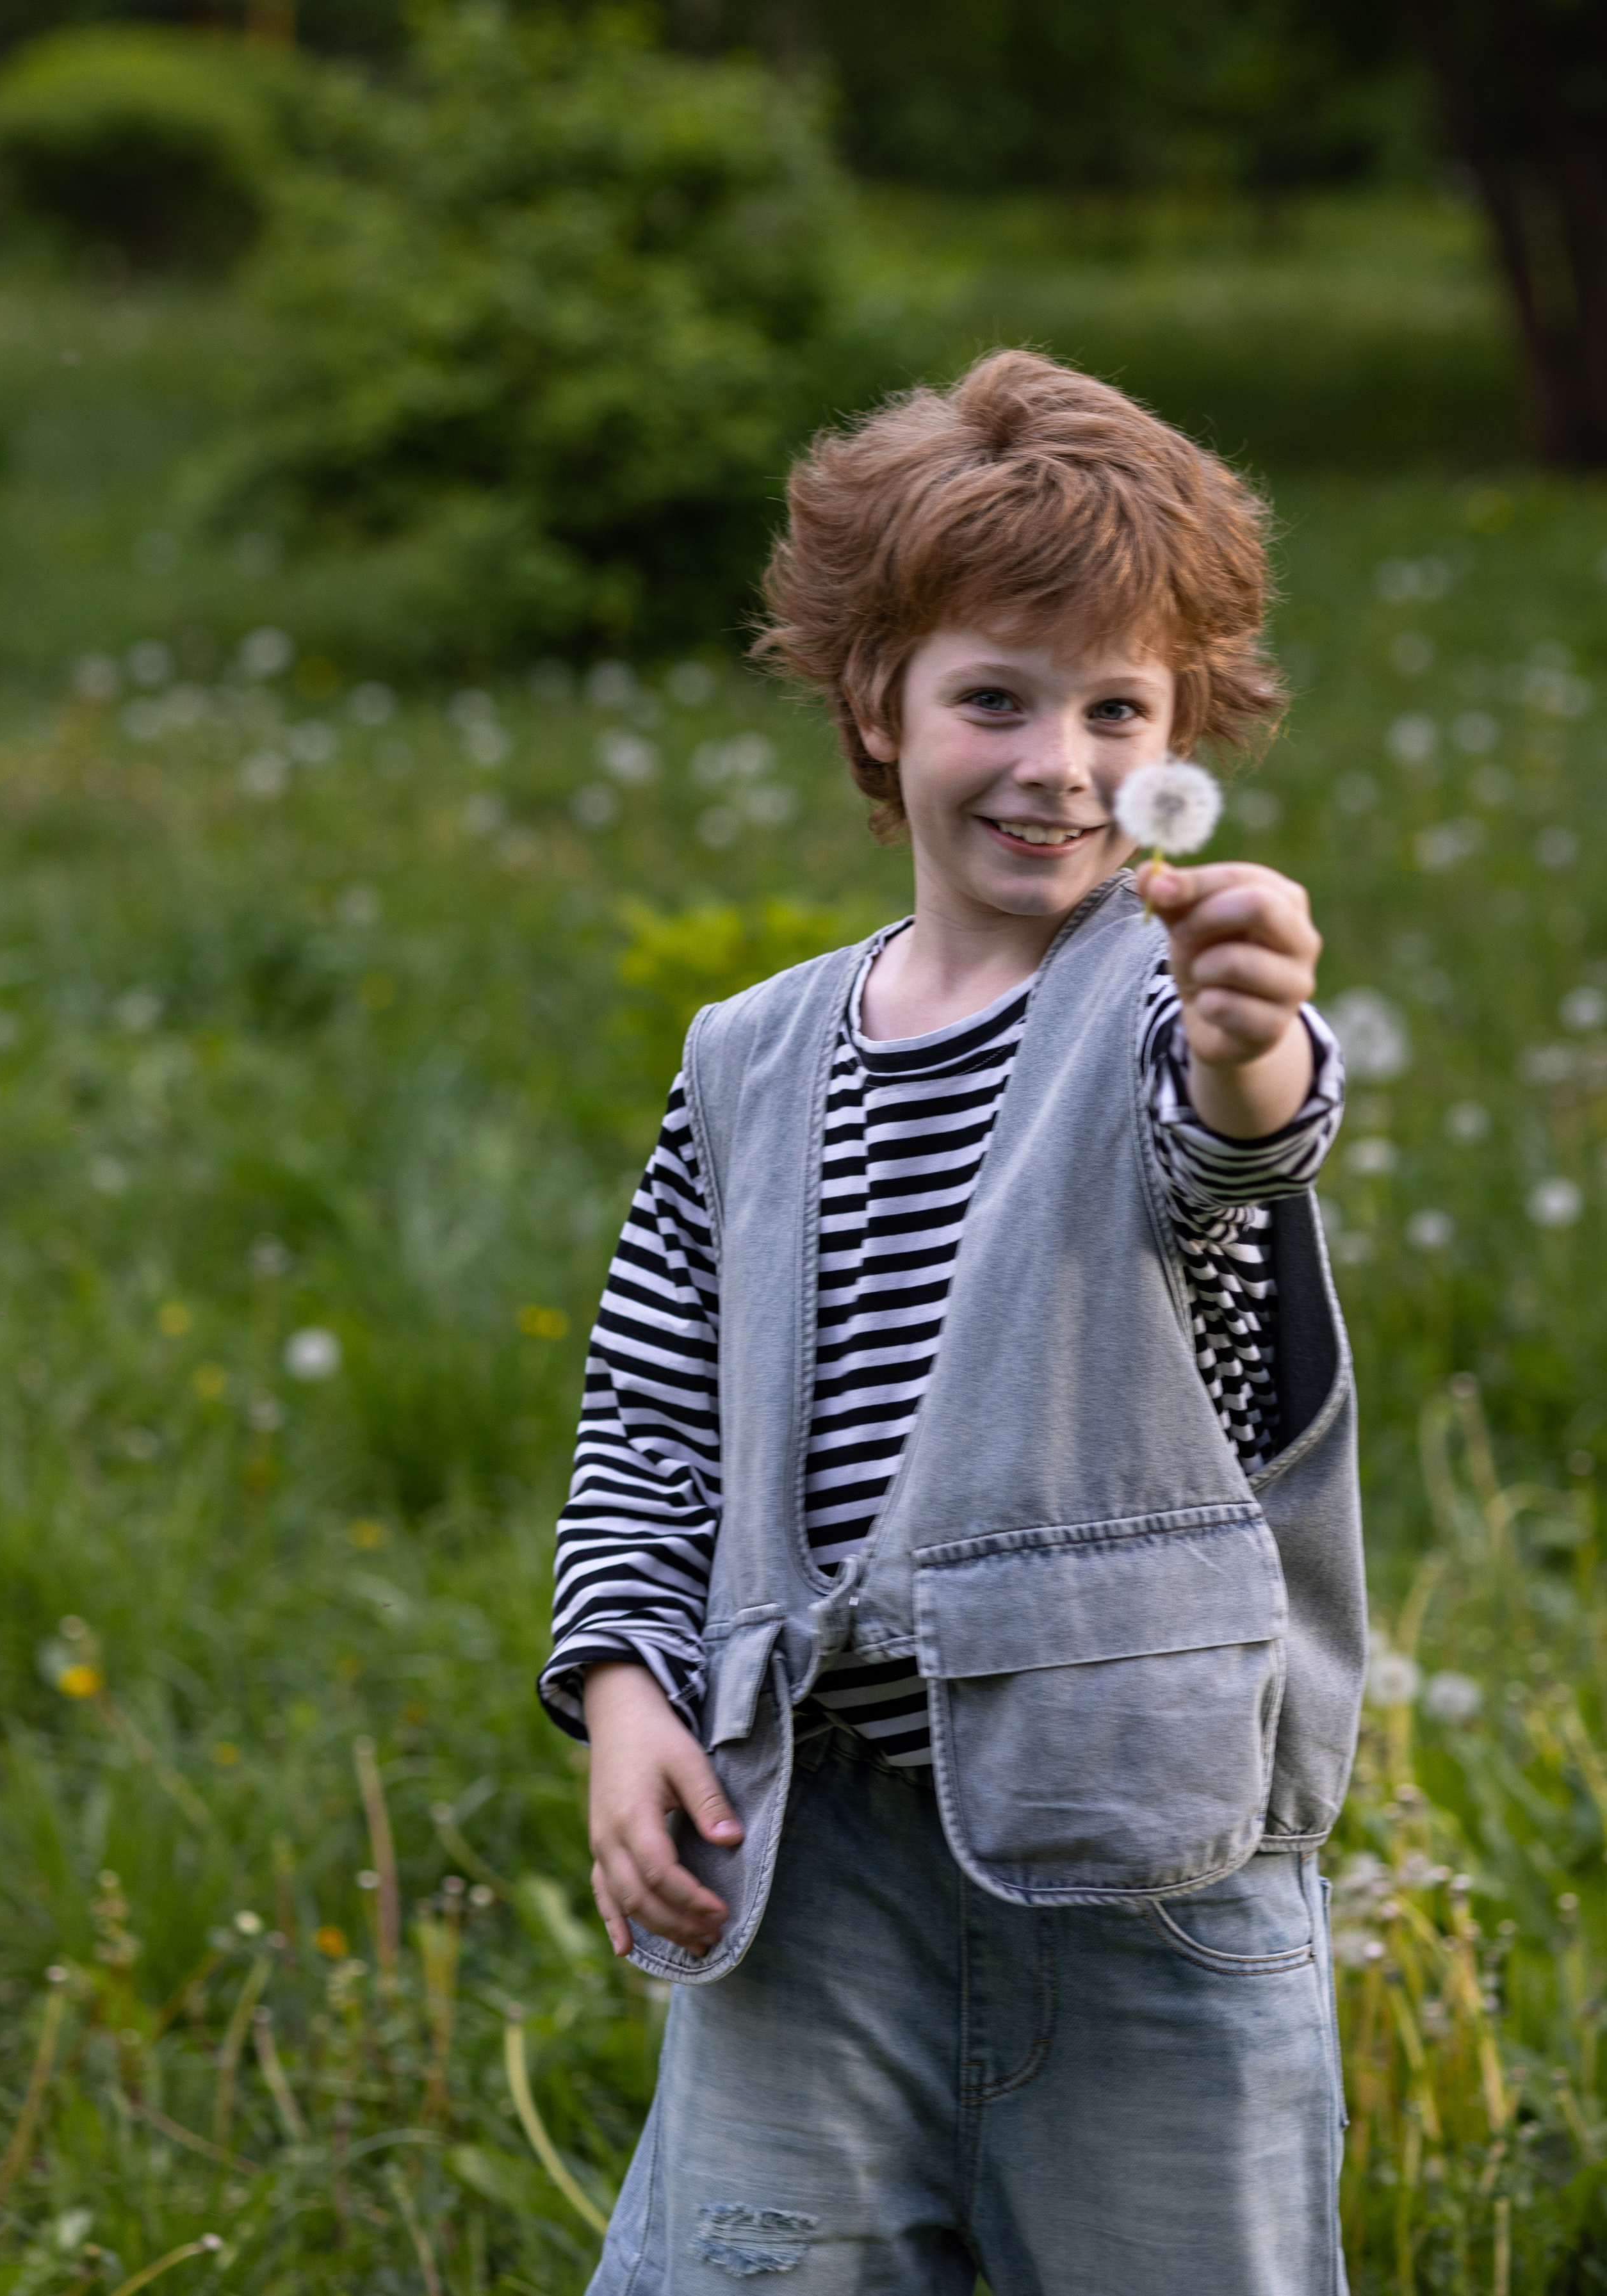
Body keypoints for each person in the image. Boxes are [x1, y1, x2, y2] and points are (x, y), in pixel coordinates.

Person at [540, 348, 1363, 2295]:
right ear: (875, 704)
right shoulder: (747, 1061)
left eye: (1115, 708)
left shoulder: (1172, 1010)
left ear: (1183, 732)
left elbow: (1238, 1154)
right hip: (806, 1867)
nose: (1056, 762)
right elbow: (653, 1415)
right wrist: (631, 1692)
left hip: (1149, 1866)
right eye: (994, 695)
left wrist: (1256, 1046)